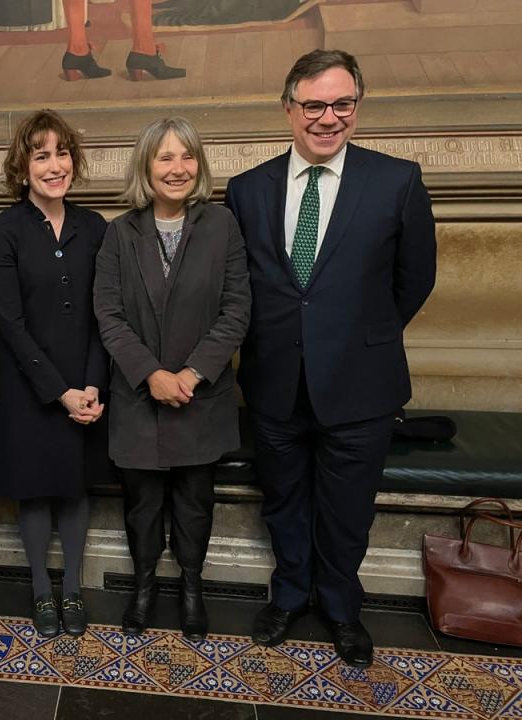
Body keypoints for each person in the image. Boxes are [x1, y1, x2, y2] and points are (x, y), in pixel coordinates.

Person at [224, 49, 436, 668]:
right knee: (283, 501)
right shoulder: (246, 190)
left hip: (361, 387)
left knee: (347, 513)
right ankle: (289, 595)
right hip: (274, 383)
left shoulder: (397, 181)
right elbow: (240, 287)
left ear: (357, 108)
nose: (328, 118)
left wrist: (359, 338)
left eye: (342, 104)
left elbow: (413, 281)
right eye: (314, 104)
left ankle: (342, 608)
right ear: (288, 108)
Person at [94, 117, 250, 641]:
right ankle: (143, 588)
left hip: (200, 397)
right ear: (146, 166)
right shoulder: (119, 233)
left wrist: (191, 372)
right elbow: (109, 315)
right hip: (139, 399)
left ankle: (190, 588)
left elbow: (236, 309)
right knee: (140, 506)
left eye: (186, 156)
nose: (177, 168)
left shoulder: (223, 226)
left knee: (194, 503)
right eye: (165, 157)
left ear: (198, 165)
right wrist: (151, 374)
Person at [0, 110, 109, 638]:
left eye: (61, 153)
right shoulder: (1, 232)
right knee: (35, 490)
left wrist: (93, 384)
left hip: (88, 382)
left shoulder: (96, 227)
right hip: (29, 389)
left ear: (73, 160)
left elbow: (108, 314)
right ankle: (40, 589)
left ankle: (72, 591)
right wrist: (60, 392)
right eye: (41, 155)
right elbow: (8, 324)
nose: (54, 165)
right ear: (23, 165)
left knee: (75, 488)